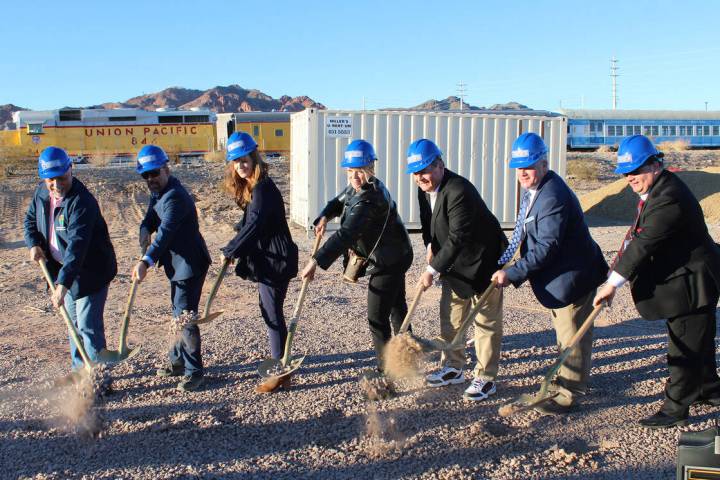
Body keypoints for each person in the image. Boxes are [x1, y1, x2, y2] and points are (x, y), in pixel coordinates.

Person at [594, 135, 720, 429]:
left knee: (684, 345)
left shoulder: (668, 197)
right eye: (625, 172)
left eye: (636, 170)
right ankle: (709, 389)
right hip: (686, 277)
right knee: (697, 339)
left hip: (693, 282)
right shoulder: (658, 190)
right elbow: (636, 238)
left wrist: (612, 284)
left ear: (654, 164)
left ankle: (676, 407)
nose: (630, 178)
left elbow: (643, 244)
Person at [491, 132, 608, 414]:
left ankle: (569, 392)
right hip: (559, 277)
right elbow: (524, 233)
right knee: (564, 331)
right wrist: (503, 263)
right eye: (519, 168)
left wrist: (514, 273)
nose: (523, 173)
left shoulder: (552, 195)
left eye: (528, 167)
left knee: (573, 335)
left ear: (544, 164)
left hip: (574, 275)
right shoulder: (537, 190)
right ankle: (563, 379)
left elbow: (547, 246)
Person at [300, 139, 413, 377]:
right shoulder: (356, 187)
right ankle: (408, 353)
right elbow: (338, 202)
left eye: (359, 171)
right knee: (396, 306)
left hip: (388, 261)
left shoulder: (370, 197)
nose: (354, 176)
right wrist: (324, 216)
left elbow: (346, 234)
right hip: (393, 254)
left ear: (370, 169)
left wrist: (315, 261)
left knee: (376, 316)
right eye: (350, 171)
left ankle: (387, 370)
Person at [407, 139, 507, 401]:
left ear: (440, 164)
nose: (420, 177)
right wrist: (429, 244)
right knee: (451, 317)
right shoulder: (423, 188)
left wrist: (431, 268)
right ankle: (453, 367)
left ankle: (486, 377)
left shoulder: (458, 189)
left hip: (484, 261)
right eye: (416, 173)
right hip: (455, 263)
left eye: (425, 170)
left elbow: (458, 237)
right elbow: (427, 222)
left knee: (485, 322)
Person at [24, 146, 117, 381]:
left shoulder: (82, 202)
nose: (56, 185)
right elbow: (30, 221)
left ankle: (99, 378)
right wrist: (34, 243)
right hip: (61, 271)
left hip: (89, 272)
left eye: (61, 178)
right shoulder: (42, 193)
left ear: (71, 170)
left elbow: (77, 247)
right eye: (50, 180)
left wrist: (62, 285)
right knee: (73, 324)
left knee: (87, 325)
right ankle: (80, 372)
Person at [220, 131, 299, 393]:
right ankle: (282, 366)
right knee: (271, 311)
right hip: (270, 259)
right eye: (236, 161)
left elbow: (254, 224)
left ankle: (279, 372)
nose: (241, 165)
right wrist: (235, 239)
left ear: (254, 158)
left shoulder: (263, 188)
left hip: (275, 261)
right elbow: (249, 220)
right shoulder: (257, 187)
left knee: (272, 314)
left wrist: (231, 249)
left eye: (244, 160)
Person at [131, 145, 211, 392]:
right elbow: (150, 219)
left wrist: (146, 261)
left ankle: (194, 372)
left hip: (189, 265)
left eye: (154, 173)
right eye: (146, 175)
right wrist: (144, 232)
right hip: (177, 265)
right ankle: (177, 362)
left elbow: (165, 233)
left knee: (185, 317)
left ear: (166, 168)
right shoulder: (159, 192)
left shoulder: (175, 196)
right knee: (178, 312)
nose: (150, 179)